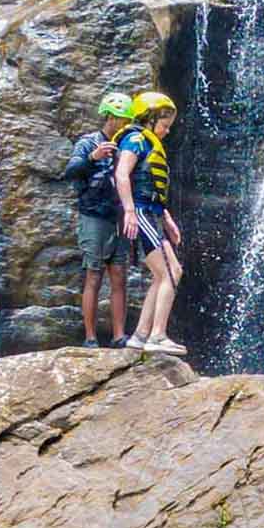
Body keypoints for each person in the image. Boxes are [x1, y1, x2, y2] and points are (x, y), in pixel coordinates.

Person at [114, 90, 187, 356]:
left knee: (166, 273)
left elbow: (153, 186)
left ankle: (140, 335)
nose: (167, 132)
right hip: (141, 213)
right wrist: (130, 212)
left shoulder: (148, 143)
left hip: (151, 213)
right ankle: (157, 335)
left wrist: (166, 218)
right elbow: (122, 175)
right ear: (149, 119)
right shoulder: (135, 139)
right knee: (169, 272)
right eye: (165, 125)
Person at [69, 92, 137, 347]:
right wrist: (92, 158)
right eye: (119, 118)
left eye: (126, 119)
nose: (122, 123)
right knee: (93, 275)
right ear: (108, 116)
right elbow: (71, 172)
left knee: (119, 275)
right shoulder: (88, 143)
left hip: (118, 218)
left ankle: (119, 335)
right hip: (93, 216)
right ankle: (90, 337)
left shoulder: (128, 144)